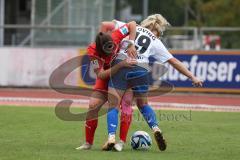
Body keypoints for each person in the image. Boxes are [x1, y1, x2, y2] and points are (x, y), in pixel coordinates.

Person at [103, 14, 203, 151]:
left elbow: (108, 24)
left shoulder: (130, 27)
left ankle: (111, 138)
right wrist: (193, 77)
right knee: (143, 104)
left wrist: (103, 41)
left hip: (122, 64)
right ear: (158, 29)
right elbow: (174, 61)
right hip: (141, 68)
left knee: (113, 105)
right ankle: (155, 128)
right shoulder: (155, 40)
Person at [76, 20, 137, 150]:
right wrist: (120, 64)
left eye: (112, 47)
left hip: (122, 74)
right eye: (107, 50)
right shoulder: (92, 52)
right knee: (93, 105)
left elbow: (132, 24)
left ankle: (120, 141)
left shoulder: (116, 35)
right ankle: (88, 143)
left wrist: (131, 44)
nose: (111, 51)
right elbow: (100, 75)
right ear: (100, 50)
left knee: (125, 104)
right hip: (108, 73)